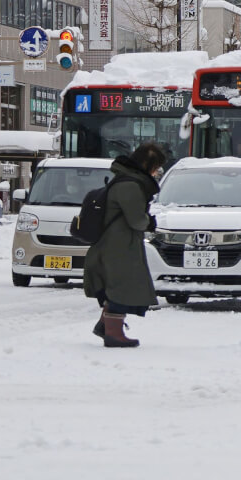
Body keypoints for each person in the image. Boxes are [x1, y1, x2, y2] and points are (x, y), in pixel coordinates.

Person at [84, 142, 165, 347]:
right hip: (118, 246)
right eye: (156, 167)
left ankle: (105, 326)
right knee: (121, 287)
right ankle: (114, 334)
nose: (157, 172)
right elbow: (136, 220)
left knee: (119, 285)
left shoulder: (126, 181)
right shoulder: (130, 185)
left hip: (118, 243)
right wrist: (149, 222)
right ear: (147, 164)